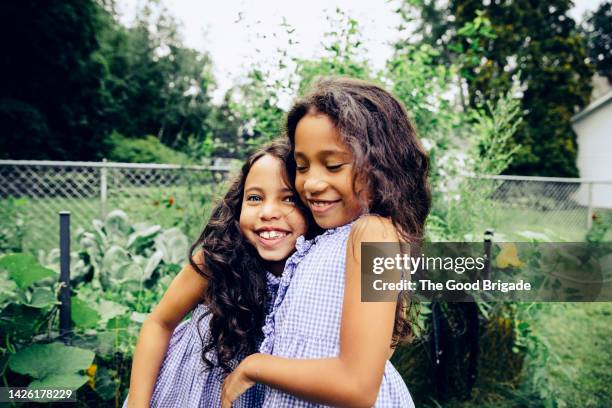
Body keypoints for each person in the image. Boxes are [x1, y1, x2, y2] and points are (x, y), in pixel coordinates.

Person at [221, 77, 431, 407]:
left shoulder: (373, 233)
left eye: (333, 165)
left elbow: (358, 386)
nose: (312, 183)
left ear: (382, 165)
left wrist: (256, 366)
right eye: (302, 166)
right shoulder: (327, 239)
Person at [124, 140, 311, 407]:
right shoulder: (219, 261)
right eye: (255, 198)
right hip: (191, 393)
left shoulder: (323, 263)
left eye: (289, 198)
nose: (269, 212)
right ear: (238, 205)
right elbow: (159, 323)